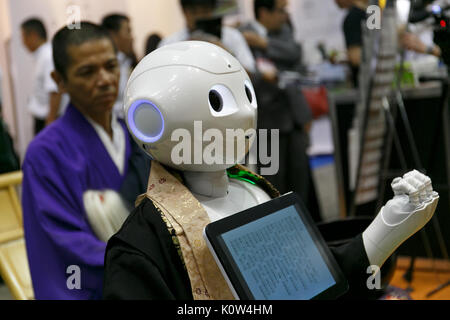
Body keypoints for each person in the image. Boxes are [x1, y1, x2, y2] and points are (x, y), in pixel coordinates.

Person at [103, 41, 438, 300]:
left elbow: (312, 278)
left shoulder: (255, 189)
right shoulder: (142, 244)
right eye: (219, 102)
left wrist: (388, 226)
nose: (244, 113)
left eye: (246, 95)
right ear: (148, 120)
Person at [21, 22, 150, 300]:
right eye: (87, 72)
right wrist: (144, 261)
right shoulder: (46, 153)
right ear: (60, 81)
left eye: (110, 66)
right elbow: (65, 242)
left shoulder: (134, 136)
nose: (104, 79)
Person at [239, 0, 317, 216]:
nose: (285, 15)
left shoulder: (281, 31)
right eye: (281, 11)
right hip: (266, 125)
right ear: (264, 12)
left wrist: (262, 44)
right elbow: (247, 75)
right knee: (273, 188)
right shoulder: (242, 36)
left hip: (294, 119)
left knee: (300, 186)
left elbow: (294, 53)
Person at [159, 0, 256, 73]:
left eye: (205, 11)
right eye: (194, 12)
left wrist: (224, 52)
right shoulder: (169, 43)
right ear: (184, 11)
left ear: (213, 10)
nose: (200, 16)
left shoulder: (232, 37)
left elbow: (250, 74)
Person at [21, 18, 65, 135]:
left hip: (50, 118)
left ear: (33, 35)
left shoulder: (47, 56)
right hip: (46, 117)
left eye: (24, 37)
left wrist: (50, 122)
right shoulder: (42, 56)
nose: (23, 43)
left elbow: (55, 91)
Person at [101, 14, 137, 119]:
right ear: (113, 35)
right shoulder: (106, 68)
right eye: (128, 31)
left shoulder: (126, 62)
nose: (132, 37)